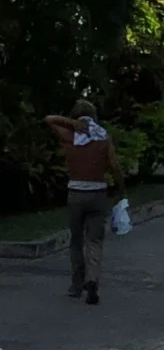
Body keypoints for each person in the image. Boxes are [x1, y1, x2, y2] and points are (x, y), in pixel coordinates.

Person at [45, 98, 123, 306]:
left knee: (76, 240)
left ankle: (77, 283)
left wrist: (73, 124)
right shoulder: (103, 137)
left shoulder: (70, 137)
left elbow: (49, 119)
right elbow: (114, 165)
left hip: (76, 193)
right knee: (95, 240)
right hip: (98, 193)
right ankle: (93, 279)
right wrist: (121, 189)